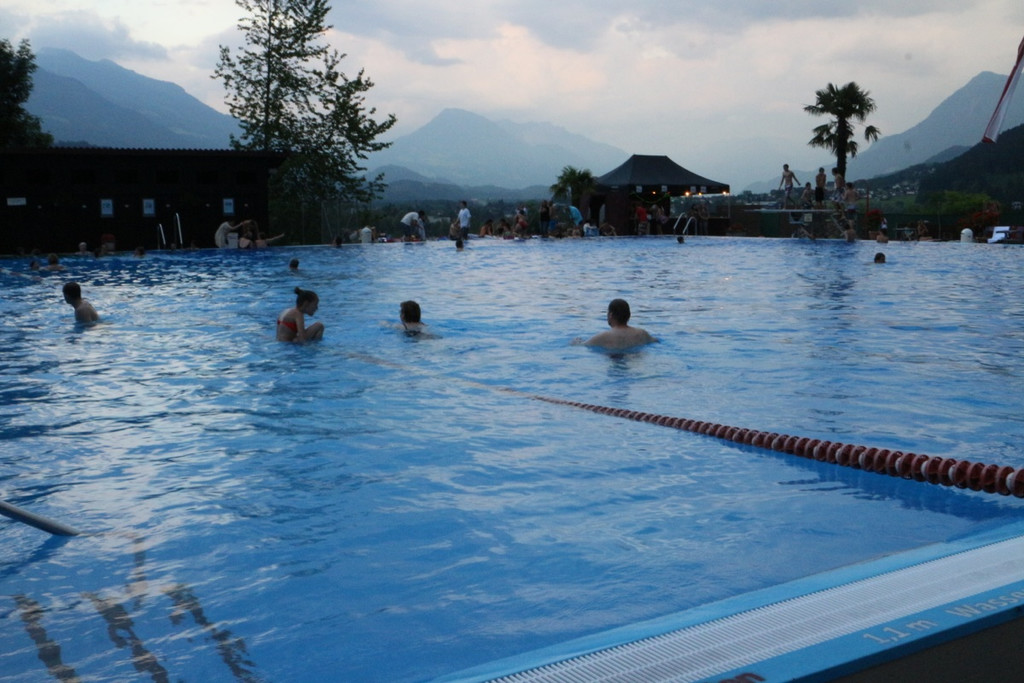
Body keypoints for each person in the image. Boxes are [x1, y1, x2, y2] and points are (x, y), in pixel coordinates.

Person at [578, 299, 658, 350]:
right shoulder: (642, 333)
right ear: (629, 315)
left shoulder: (603, 337)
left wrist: (576, 341)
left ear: (611, 315)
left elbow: (582, 345)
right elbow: (656, 341)